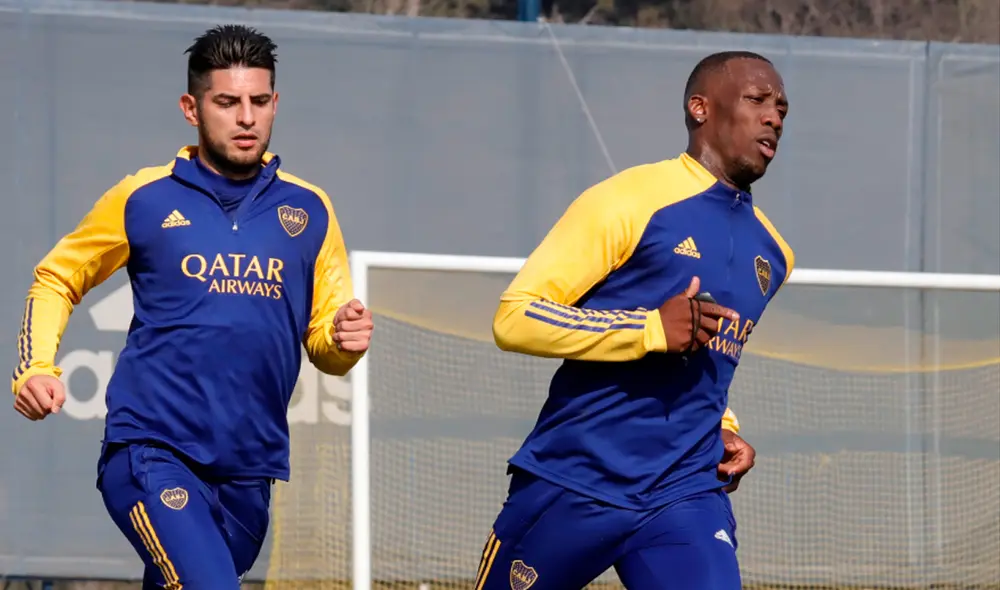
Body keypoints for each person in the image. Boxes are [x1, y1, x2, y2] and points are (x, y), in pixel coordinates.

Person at [11, 25, 373, 588]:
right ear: (192, 107)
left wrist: (344, 344)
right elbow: (57, 277)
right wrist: (35, 366)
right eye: (227, 102)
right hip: (152, 451)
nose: (246, 117)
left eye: (258, 101)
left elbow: (325, 342)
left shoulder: (310, 209)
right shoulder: (144, 197)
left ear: (276, 102)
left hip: (251, 471)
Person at [476, 51, 793, 590]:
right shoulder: (629, 200)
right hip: (576, 480)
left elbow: (707, 363)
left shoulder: (775, 252)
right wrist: (647, 329)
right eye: (757, 101)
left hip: (684, 494)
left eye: (782, 107)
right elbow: (515, 316)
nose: (774, 117)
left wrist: (724, 426)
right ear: (700, 108)